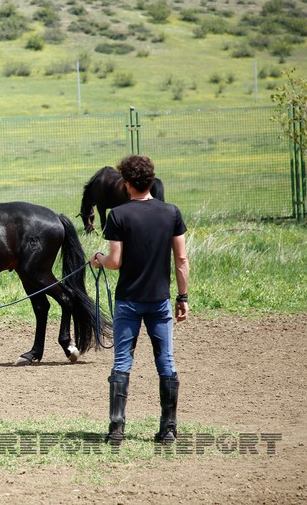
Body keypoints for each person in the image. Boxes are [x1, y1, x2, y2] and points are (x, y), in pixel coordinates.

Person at [89, 155, 189, 446]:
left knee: (122, 361)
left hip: (128, 301)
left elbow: (115, 261)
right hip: (160, 300)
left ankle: (116, 429)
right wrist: (182, 296)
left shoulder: (118, 215)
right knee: (166, 361)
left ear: (128, 184)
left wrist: (98, 260)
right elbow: (181, 259)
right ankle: (168, 429)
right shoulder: (171, 213)